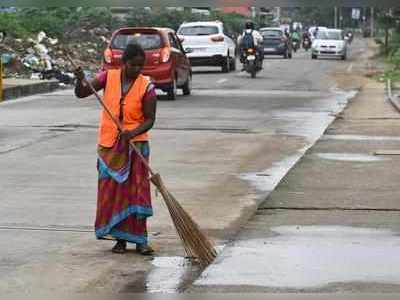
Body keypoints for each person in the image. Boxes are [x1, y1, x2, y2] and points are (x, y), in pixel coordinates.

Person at [74, 43, 157, 255]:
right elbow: (82, 92)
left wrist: (133, 132)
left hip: (135, 146)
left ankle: (141, 241)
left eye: (140, 65)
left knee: (137, 194)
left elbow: (150, 120)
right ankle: (119, 240)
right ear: (124, 63)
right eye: (133, 65)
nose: (137, 69)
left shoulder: (147, 87)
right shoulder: (107, 77)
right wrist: (79, 78)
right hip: (110, 146)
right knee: (113, 193)